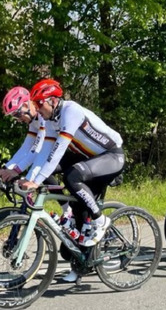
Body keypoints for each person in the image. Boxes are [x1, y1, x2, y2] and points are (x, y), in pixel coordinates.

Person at [19, 78, 125, 280]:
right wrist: (33, 178)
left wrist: (36, 180)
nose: (37, 109)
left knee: (72, 176)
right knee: (76, 217)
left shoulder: (71, 111)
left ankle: (101, 220)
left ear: (51, 100)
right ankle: (80, 267)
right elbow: (44, 154)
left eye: (39, 104)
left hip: (111, 156)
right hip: (88, 158)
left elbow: (58, 151)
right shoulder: (51, 120)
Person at [1, 86, 69, 211]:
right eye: (14, 116)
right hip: (50, 152)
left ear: (27, 104)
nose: (18, 120)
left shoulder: (43, 116)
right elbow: (26, 147)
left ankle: (67, 211)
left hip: (66, 152)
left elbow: (37, 150)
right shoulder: (33, 121)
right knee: (40, 172)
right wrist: (6, 168)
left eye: (17, 114)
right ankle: (65, 211)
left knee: (41, 171)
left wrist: (17, 171)